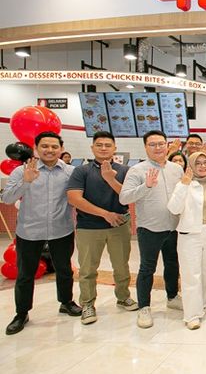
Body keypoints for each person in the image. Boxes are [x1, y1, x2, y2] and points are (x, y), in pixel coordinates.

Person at [3, 132, 81, 335]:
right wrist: (26, 182)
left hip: (61, 229)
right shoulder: (21, 171)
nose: (50, 150)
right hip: (29, 231)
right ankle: (21, 313)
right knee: (25, 274)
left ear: (61, 149)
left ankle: (66, 302)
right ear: (36, 148)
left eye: (54, 146)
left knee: (64, 269)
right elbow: (7, 199)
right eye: (44, 146)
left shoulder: (71, 172)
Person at [67, 131, 137, 326]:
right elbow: (74, 198)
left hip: (119, 226)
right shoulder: (81, 171)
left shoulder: (125, 171)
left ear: (115, 148)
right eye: (99, 145)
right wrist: (105, 214)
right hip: (89, 227)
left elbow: (129, 196)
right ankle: (88, 304)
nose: (104, 148)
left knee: (121, 265)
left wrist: (110, 179)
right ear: (92, 148)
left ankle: (123, 297)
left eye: (108, 145)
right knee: (88, 269)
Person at [120, 130, 184, 329]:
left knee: (172, 264)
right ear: (145, 147)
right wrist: (146, 187)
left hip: (174, 227)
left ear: (167, 145)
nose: (158, 148)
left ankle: (172, 297)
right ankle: (144, 307)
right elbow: (124, 197)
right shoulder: (137, 170)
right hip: (149, 228)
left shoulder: (176, 169)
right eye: (153, 144)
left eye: (161, 143)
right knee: (147, 268)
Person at [168, 152, 206, 330]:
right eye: (198, 163)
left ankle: (203, 304)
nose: (202, 166)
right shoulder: (184, 184)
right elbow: (173, 208)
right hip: (190, 235)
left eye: (205, 163)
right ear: (191, 166)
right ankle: (192, 315)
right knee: (191, 275)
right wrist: (184, 184)